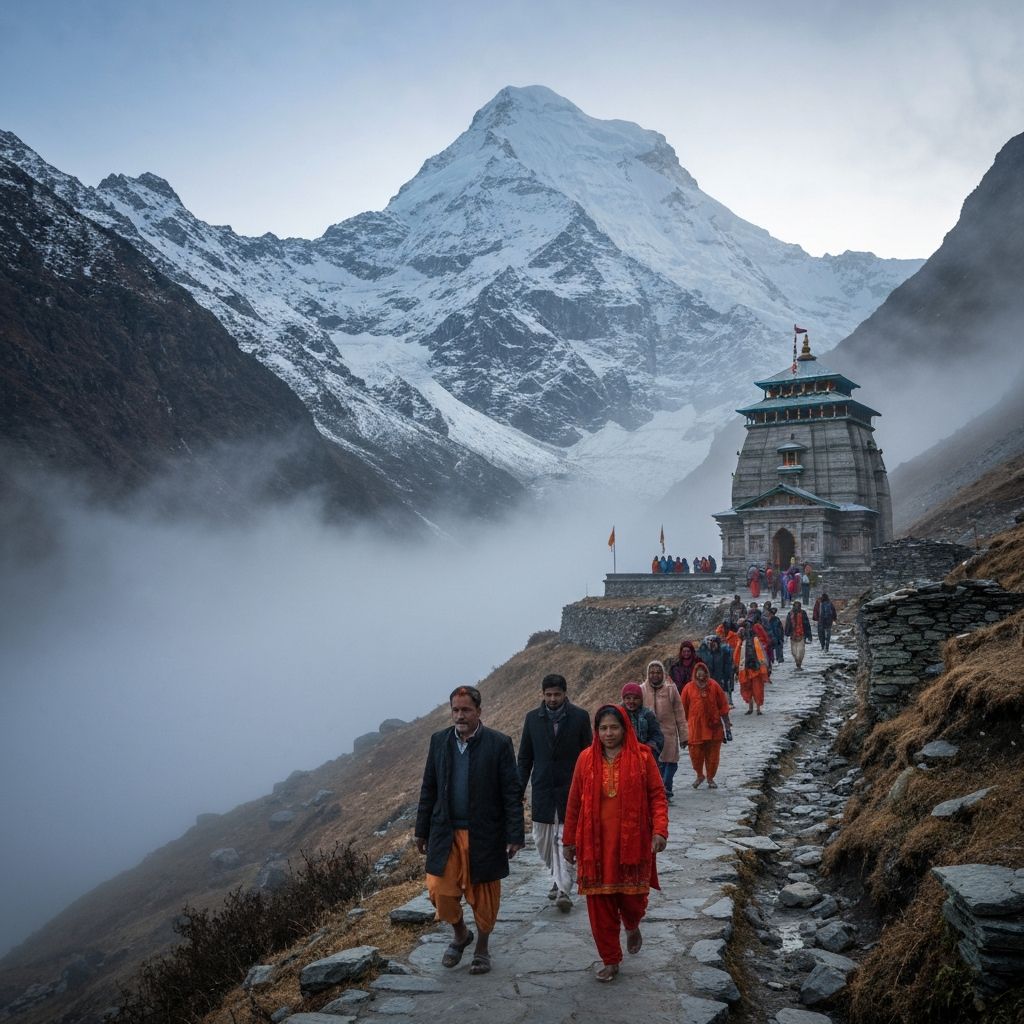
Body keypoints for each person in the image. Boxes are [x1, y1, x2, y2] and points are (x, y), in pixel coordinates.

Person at [415, 685, 525, 976]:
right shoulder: (439, 741)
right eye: (455, 710)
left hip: (485, 834)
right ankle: (461, 934)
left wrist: (515, 834)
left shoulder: (498, 743)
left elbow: (510, 792)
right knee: (440, 891)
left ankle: (482, 948)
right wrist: (421, 830)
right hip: (445, 833)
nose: (460, 715)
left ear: (479, 711)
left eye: (466, 710)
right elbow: (429, 787)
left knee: (485, 896)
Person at [562, 705, 668, 982]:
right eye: (603, 728)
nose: (609, 733)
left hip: (633, 843)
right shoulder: (585, 759)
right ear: (596, 731)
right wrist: (568, 841)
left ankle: (632, 924)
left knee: (634, 899)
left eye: (614, 727)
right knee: (599, 904)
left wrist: (660, 831)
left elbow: (657, 795)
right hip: (594, 846)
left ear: (624, 729)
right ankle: (610, 959)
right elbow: (573, 803)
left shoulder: (643, 757)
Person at [517, 674, 593, 913]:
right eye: (548, 695)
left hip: (571, 788)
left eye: (556, 694)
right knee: (542, 840)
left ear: (564, 693)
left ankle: (563, 889)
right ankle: (557, 877)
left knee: (565, 839)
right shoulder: (532, 719)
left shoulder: (580, 717)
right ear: (542, 694)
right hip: (542, 789)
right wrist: (519, 789)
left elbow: (588, 754)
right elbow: (525, 758)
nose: (552, 699)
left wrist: (589, 786)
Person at [639, 660, 688, 802]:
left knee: (671, 763)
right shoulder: (642, 690)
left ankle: (666, 787)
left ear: (663, 673)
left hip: (669, 733)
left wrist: (684, 735)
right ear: (648, 674)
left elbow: (679, 713)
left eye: (658, 672)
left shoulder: (671, 690)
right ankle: (660, 791)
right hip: (650, 735)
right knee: (654, 764)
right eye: (652, 673)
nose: (655, 675)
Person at [680, 663, 733, 789]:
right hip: (695, 728)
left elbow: (723, 706)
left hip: (713, 727)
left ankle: (710, 777)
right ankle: (699, 775)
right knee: (695, 754)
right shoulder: (688, 688)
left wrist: (727, 726)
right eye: (698, 671)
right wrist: (682, 730)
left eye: (702, 670)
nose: (700, 673)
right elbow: (682, 710)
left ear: (706, 672)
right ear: (694, 672)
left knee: (713, 755)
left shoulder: (714, 686)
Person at [620, 682, 664, 760]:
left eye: (636, 698)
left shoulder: (648, 715)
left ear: (641, 700)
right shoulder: (617, 715)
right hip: (623, 757)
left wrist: (649, 749)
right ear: (623, 699)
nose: (631, 701)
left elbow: (658, 736)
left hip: (645, 757)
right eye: (628, 698)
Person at [736, 621, 770, 715]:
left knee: (756, 689)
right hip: (747, 668)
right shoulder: (742, 642)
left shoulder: (754, 641)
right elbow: (737, 655)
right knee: (749, 688)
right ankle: (753, 707)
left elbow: (762, 655)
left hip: (755, 668)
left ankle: (756, 708)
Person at [697, 633, 736, 707]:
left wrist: (727, 675)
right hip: (709, 677)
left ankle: (726, 703)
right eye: (708, 641)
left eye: (712, 642)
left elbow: (727, 664)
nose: (710, 643)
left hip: (721, 676)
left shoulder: (722, 652)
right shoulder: (703, 652)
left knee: (722, 690)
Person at [785, 600, 812, 670]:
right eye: (795, 606)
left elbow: (807, 624)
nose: (797, 608)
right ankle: (797, 661)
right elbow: (787, 624)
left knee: (800, 651)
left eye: (798, 606)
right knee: (794, 652)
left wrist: (809, 635)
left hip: (801, 635)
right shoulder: (790, 614)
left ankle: (799, 663)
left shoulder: (803, 613)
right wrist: (786, 633)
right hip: (793, 635)